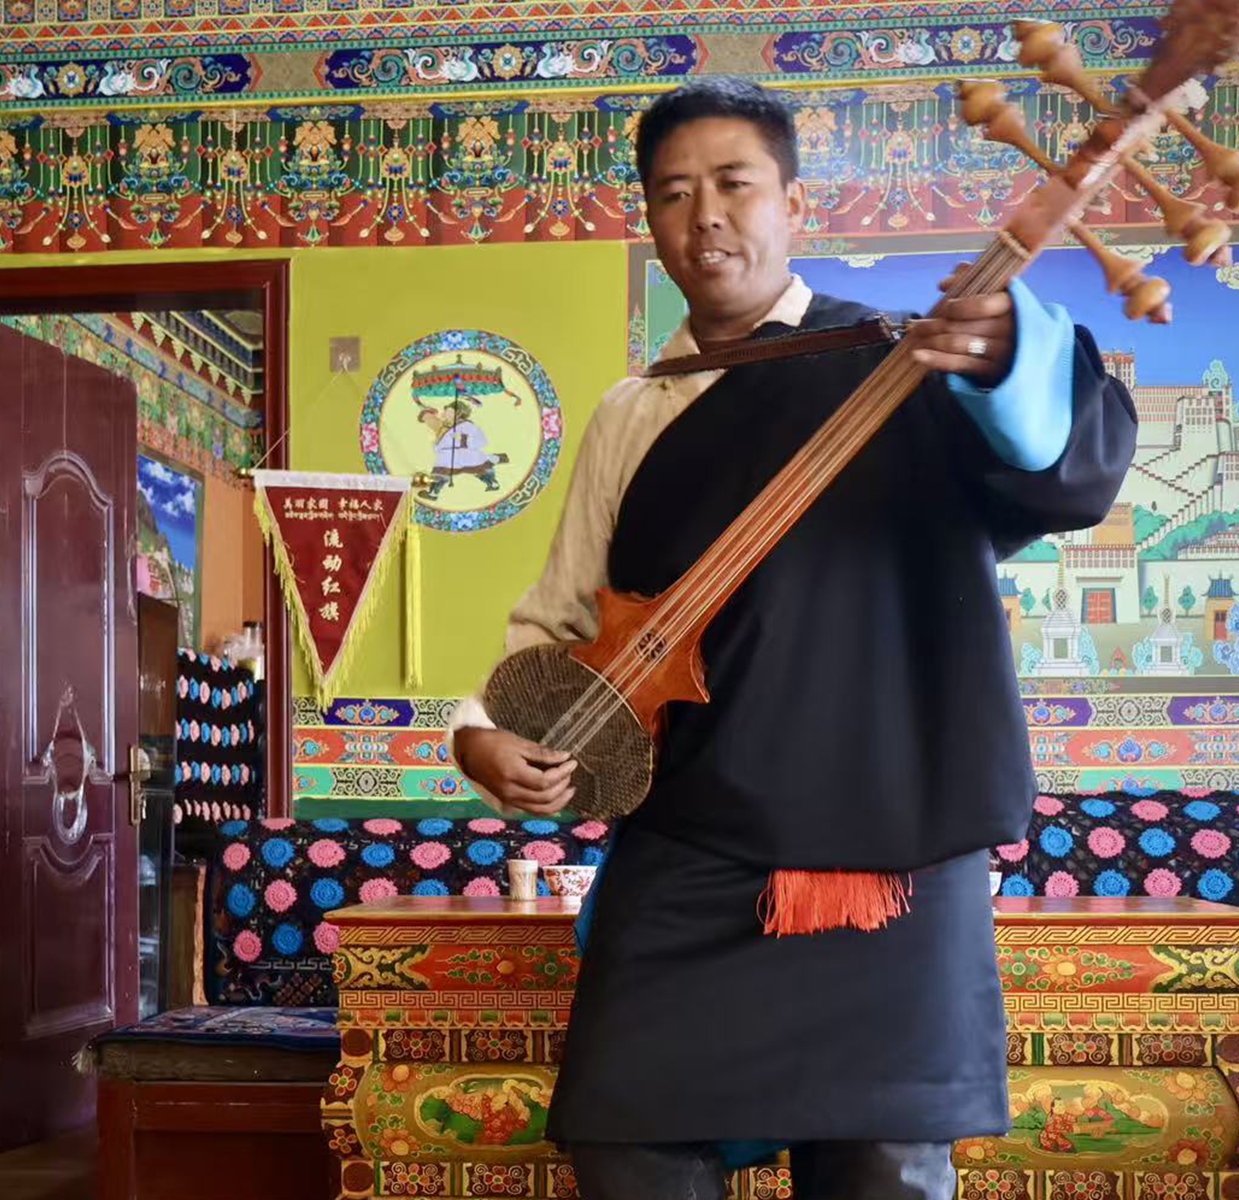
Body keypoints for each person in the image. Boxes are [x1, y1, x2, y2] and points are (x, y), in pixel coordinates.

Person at [446, 78, 1138, 1200]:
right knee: (623, 1143)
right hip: (689, 847)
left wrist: (1007, 353)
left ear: (794, 207)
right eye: (672, 194)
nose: (703, 215)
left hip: (891, 852)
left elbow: (1060, 471)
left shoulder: (909, 367)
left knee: (877, 1171)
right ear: (652, 225)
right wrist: (477, 736)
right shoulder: (636, 410)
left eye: (732, 184)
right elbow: (562, 625)